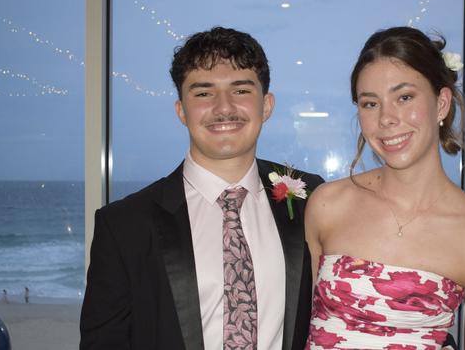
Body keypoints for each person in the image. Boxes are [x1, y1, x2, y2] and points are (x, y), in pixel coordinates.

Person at [80, 27, 324, 350]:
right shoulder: (125, 225)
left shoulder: (311, 197)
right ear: (181, 111)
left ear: (266, 105)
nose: (223, 108)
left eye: (240, 90)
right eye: (204, 93)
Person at [305, 26, 465, 350]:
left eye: (404, 97)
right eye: (370, 104)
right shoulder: (328, 205)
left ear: (441, 104)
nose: (387, 118)